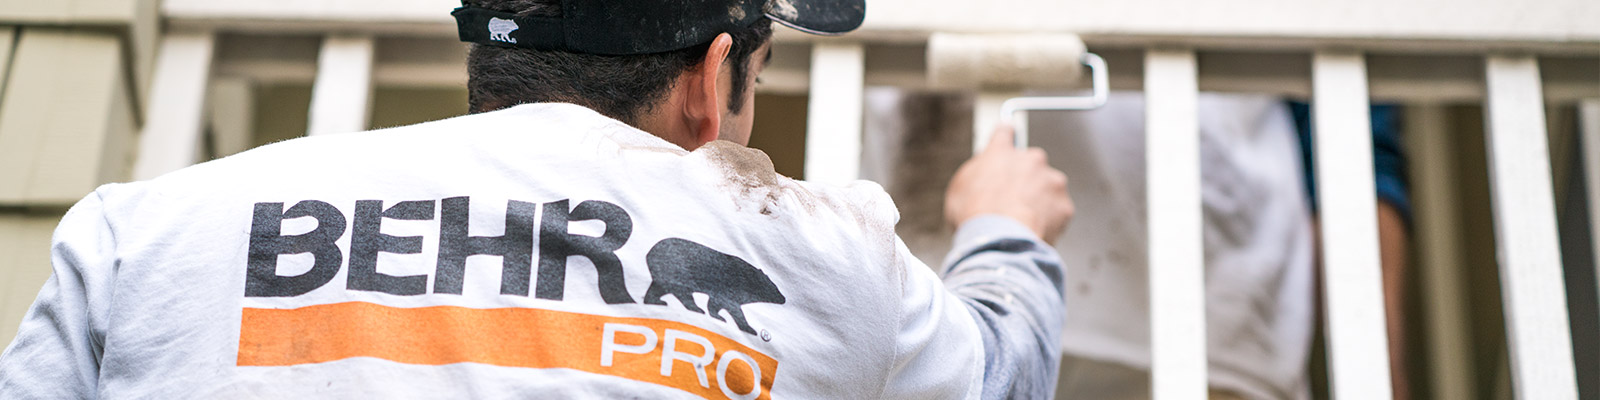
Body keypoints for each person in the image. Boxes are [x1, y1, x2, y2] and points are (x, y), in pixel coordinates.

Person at [0, 0, 1076, 398]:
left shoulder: (140, 234)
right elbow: (999, 371)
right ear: (712, 81)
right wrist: (1001, 228)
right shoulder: (828, 254)